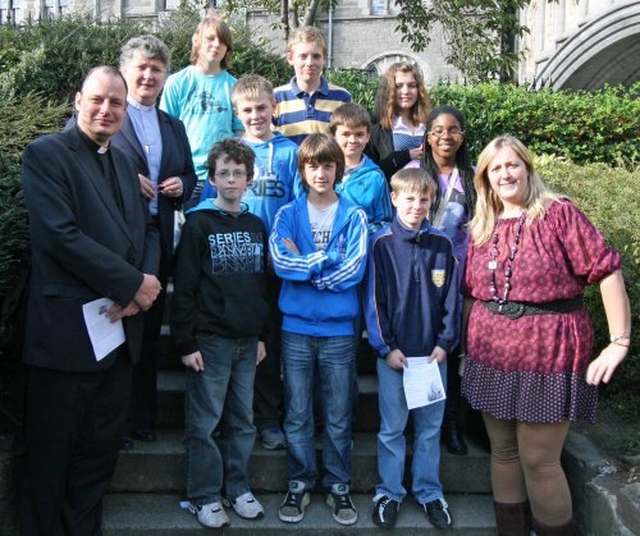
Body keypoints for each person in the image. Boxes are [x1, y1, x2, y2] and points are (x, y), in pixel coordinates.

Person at [461, 135, 631, 536]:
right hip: (491, 353)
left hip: (549, 352)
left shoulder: (559, 214)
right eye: (496, 168)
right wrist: (467, 352)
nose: (505, 173)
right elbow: (471, 296)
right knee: (503, 453)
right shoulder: (482, 225)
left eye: (512, 164)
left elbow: (606, 271)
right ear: (485, 177)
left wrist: (618, 341)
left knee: (539, 460)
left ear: (528, 168)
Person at [19, 65, 162, 535]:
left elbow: (141, 232)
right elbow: (60, 237)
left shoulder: (124, 162)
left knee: (98, 455)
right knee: (51, 456)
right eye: (98, 99)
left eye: (116, 103)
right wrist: (130, 284)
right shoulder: (46, 155)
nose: (106, 109)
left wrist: (142, 289)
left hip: (119, 336)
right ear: (78, 99)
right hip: (65, 337)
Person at [269, 134, 368, 526]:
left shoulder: (354, 215)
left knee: (339, 413)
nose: (321, 172)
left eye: (328, 165)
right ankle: (299, 482)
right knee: (296, 412)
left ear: (337, 169)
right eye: (313, 166)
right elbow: (280, 259)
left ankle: (339, 486)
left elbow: (354, 267)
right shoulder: (288, 215)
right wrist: (326, 261)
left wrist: (309, 265)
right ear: (303, 170)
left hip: (339, 331)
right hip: (295, 327)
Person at [171, 138, 269, 529]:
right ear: (211, 179)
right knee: (205, 421)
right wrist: (185, 341)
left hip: (248, 342)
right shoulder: (199, 223)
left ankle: (238, 487)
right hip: (210, 341)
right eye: (224, 173)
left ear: (249, 179)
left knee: (243, 421)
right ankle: (204, 495)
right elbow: (185, 285)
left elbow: (262, 287)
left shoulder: (256, 224)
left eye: (238, 173)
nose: (231, 179)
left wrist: (262, 336)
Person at [201, 74, 301, 449]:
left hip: (276, 266)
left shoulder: (290, 152)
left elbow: (296, 207)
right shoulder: (228, 154)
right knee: (242, 341)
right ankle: (232, 416)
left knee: (271, 343)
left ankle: (269, 417)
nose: (256, 115)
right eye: (248, 110)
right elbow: (208, 203)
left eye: (262, 108)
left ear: (273, 108)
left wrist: (286, 249)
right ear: (237, 112)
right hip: (237, 264)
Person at [364, 168, 458, 530]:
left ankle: (429, 492)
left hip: (432, 357)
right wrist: (385, 347)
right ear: (394, 199)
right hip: (395, 358)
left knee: (429, 429)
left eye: (424, 199)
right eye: (409, 198)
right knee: (392, 429)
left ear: (431, 201)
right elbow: (374, 301)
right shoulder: (381, 243)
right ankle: (389, 491)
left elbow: (451, 298)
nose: (417, 206)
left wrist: (444, 344)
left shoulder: (443, 245)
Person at [115, 34, 197, 447]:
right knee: (118, 332)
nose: (148, 76)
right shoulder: (108, 113)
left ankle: (141, 418)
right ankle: (114, 421)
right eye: (141, 68)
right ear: (126, 72)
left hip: (159, 239)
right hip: (115, 242)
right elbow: (78, 162)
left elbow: (191, 176)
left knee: (146, 334)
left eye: (156, 69)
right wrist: (129, 181)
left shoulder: (173, 124)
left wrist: (181, 184)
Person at [420, 105, 476, 455]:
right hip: (419, 278)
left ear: (462, 136)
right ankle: (421, 423)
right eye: (438, 130)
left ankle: (450, 424)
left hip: (458, 276)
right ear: (427, 137)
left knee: (451, 351)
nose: (445, 136)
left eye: (453, 130)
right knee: (421, 349)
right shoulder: (415, 171)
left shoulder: (472, 176)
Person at [160, 12, 243, 202]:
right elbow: (166, 132)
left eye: (222, 41)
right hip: (188, 178)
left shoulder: (234, 86)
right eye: (210, 38)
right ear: (196, 40)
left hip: (223, 177)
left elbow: (240, 135)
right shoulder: (177, 83)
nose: (216, 45)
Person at [272, 26, 351, 145]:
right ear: (290, 58)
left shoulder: (342, 98)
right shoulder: (276, 97)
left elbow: (348, 140)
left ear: (324, 58)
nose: (309, 63)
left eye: (316, 56)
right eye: (303, 56)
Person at [330, 102, 392, 234]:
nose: (352, 140)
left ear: (368, 137)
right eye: (345, 134)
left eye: (359, 134)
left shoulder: (376, 177)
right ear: (334, 135)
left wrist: (359, 231)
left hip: (361, 249)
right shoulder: (322, 171)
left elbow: (385, 221)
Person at [366, 61, 431, 180]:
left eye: (411, 85)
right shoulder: (375, 127)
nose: (406, 92)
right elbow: (371, 170)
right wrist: (406, 156)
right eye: (398, 86)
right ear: (389, 90)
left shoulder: (429, 124)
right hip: (392, 194)